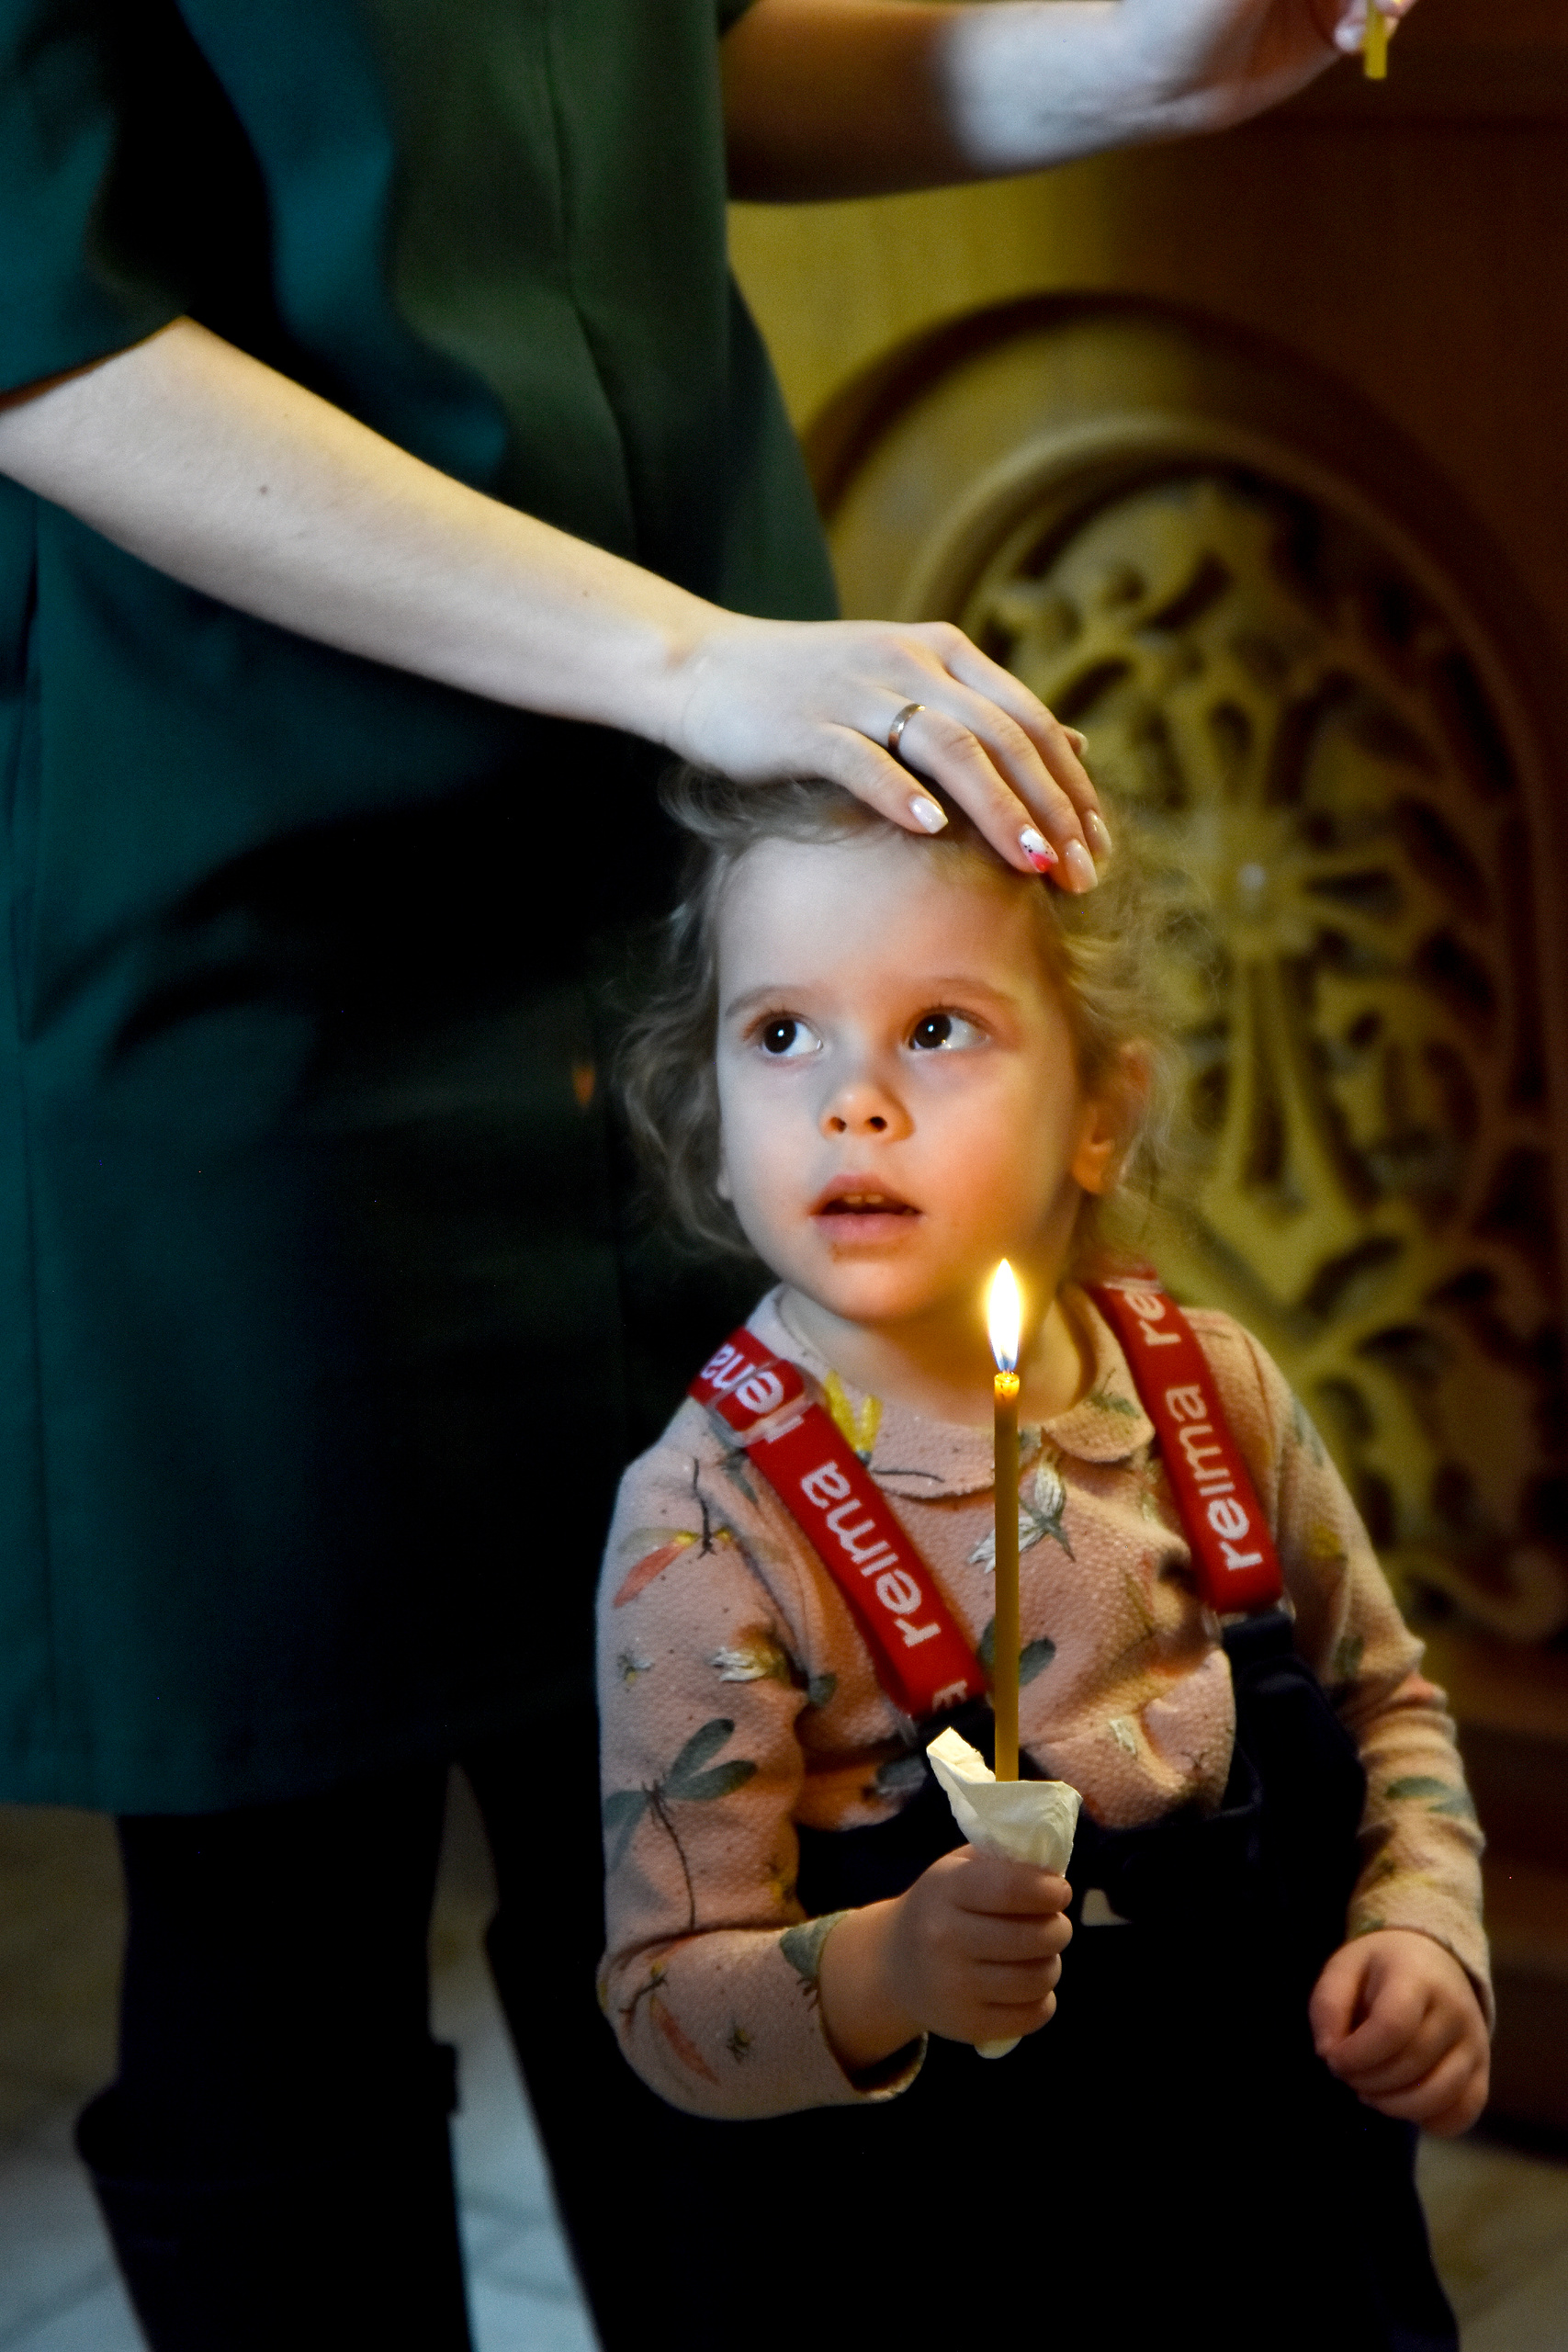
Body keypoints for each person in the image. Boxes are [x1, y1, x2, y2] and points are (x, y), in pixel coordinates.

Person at [0, 1, 1416, 2344]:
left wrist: (1143, 58)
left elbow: (692, 55)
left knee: (750, 1797)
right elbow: (39, 324)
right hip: (252, 867)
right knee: (282, 1899)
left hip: (687, 862)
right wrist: (679, 656)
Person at [600, 766, 1488, 2350]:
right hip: (950, 2267)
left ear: (1100, 1115)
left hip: (1292, 2232)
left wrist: (1424, 1930)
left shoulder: (1212, 1393)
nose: (852, 1102)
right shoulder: (704, 1528)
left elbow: (1388, 1714)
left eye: (937, 1028)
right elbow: (668, 2006)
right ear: (713, 1130)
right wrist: (890, 1969)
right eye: (781, 1034)